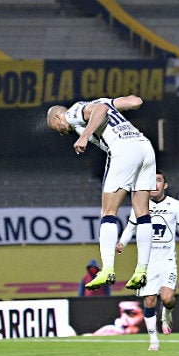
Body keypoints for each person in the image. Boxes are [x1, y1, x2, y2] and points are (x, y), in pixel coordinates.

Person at [47, 95, 155, 292]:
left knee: (108, 212)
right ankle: (142, 270)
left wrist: (84, 135)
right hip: (144, 147)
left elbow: (101, 110)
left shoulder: (72, 113)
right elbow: (136, 101)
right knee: (142, 212)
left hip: (123, 149)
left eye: (58, 129)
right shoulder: (103, 100)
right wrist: (112, 105)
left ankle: (107, 269)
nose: (63, 132)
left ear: (57, 118)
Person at [116, 170, 179, 351]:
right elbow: (130, 227)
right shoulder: (140, 205)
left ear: (165, 185)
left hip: (167, 261)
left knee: (167, 299)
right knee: (149, 300)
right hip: (147, 263)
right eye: (152, 181)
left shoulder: (175, 205)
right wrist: (121, 243)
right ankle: (153, 339)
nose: (155, 185)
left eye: (158, 181)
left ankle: (167, 314)